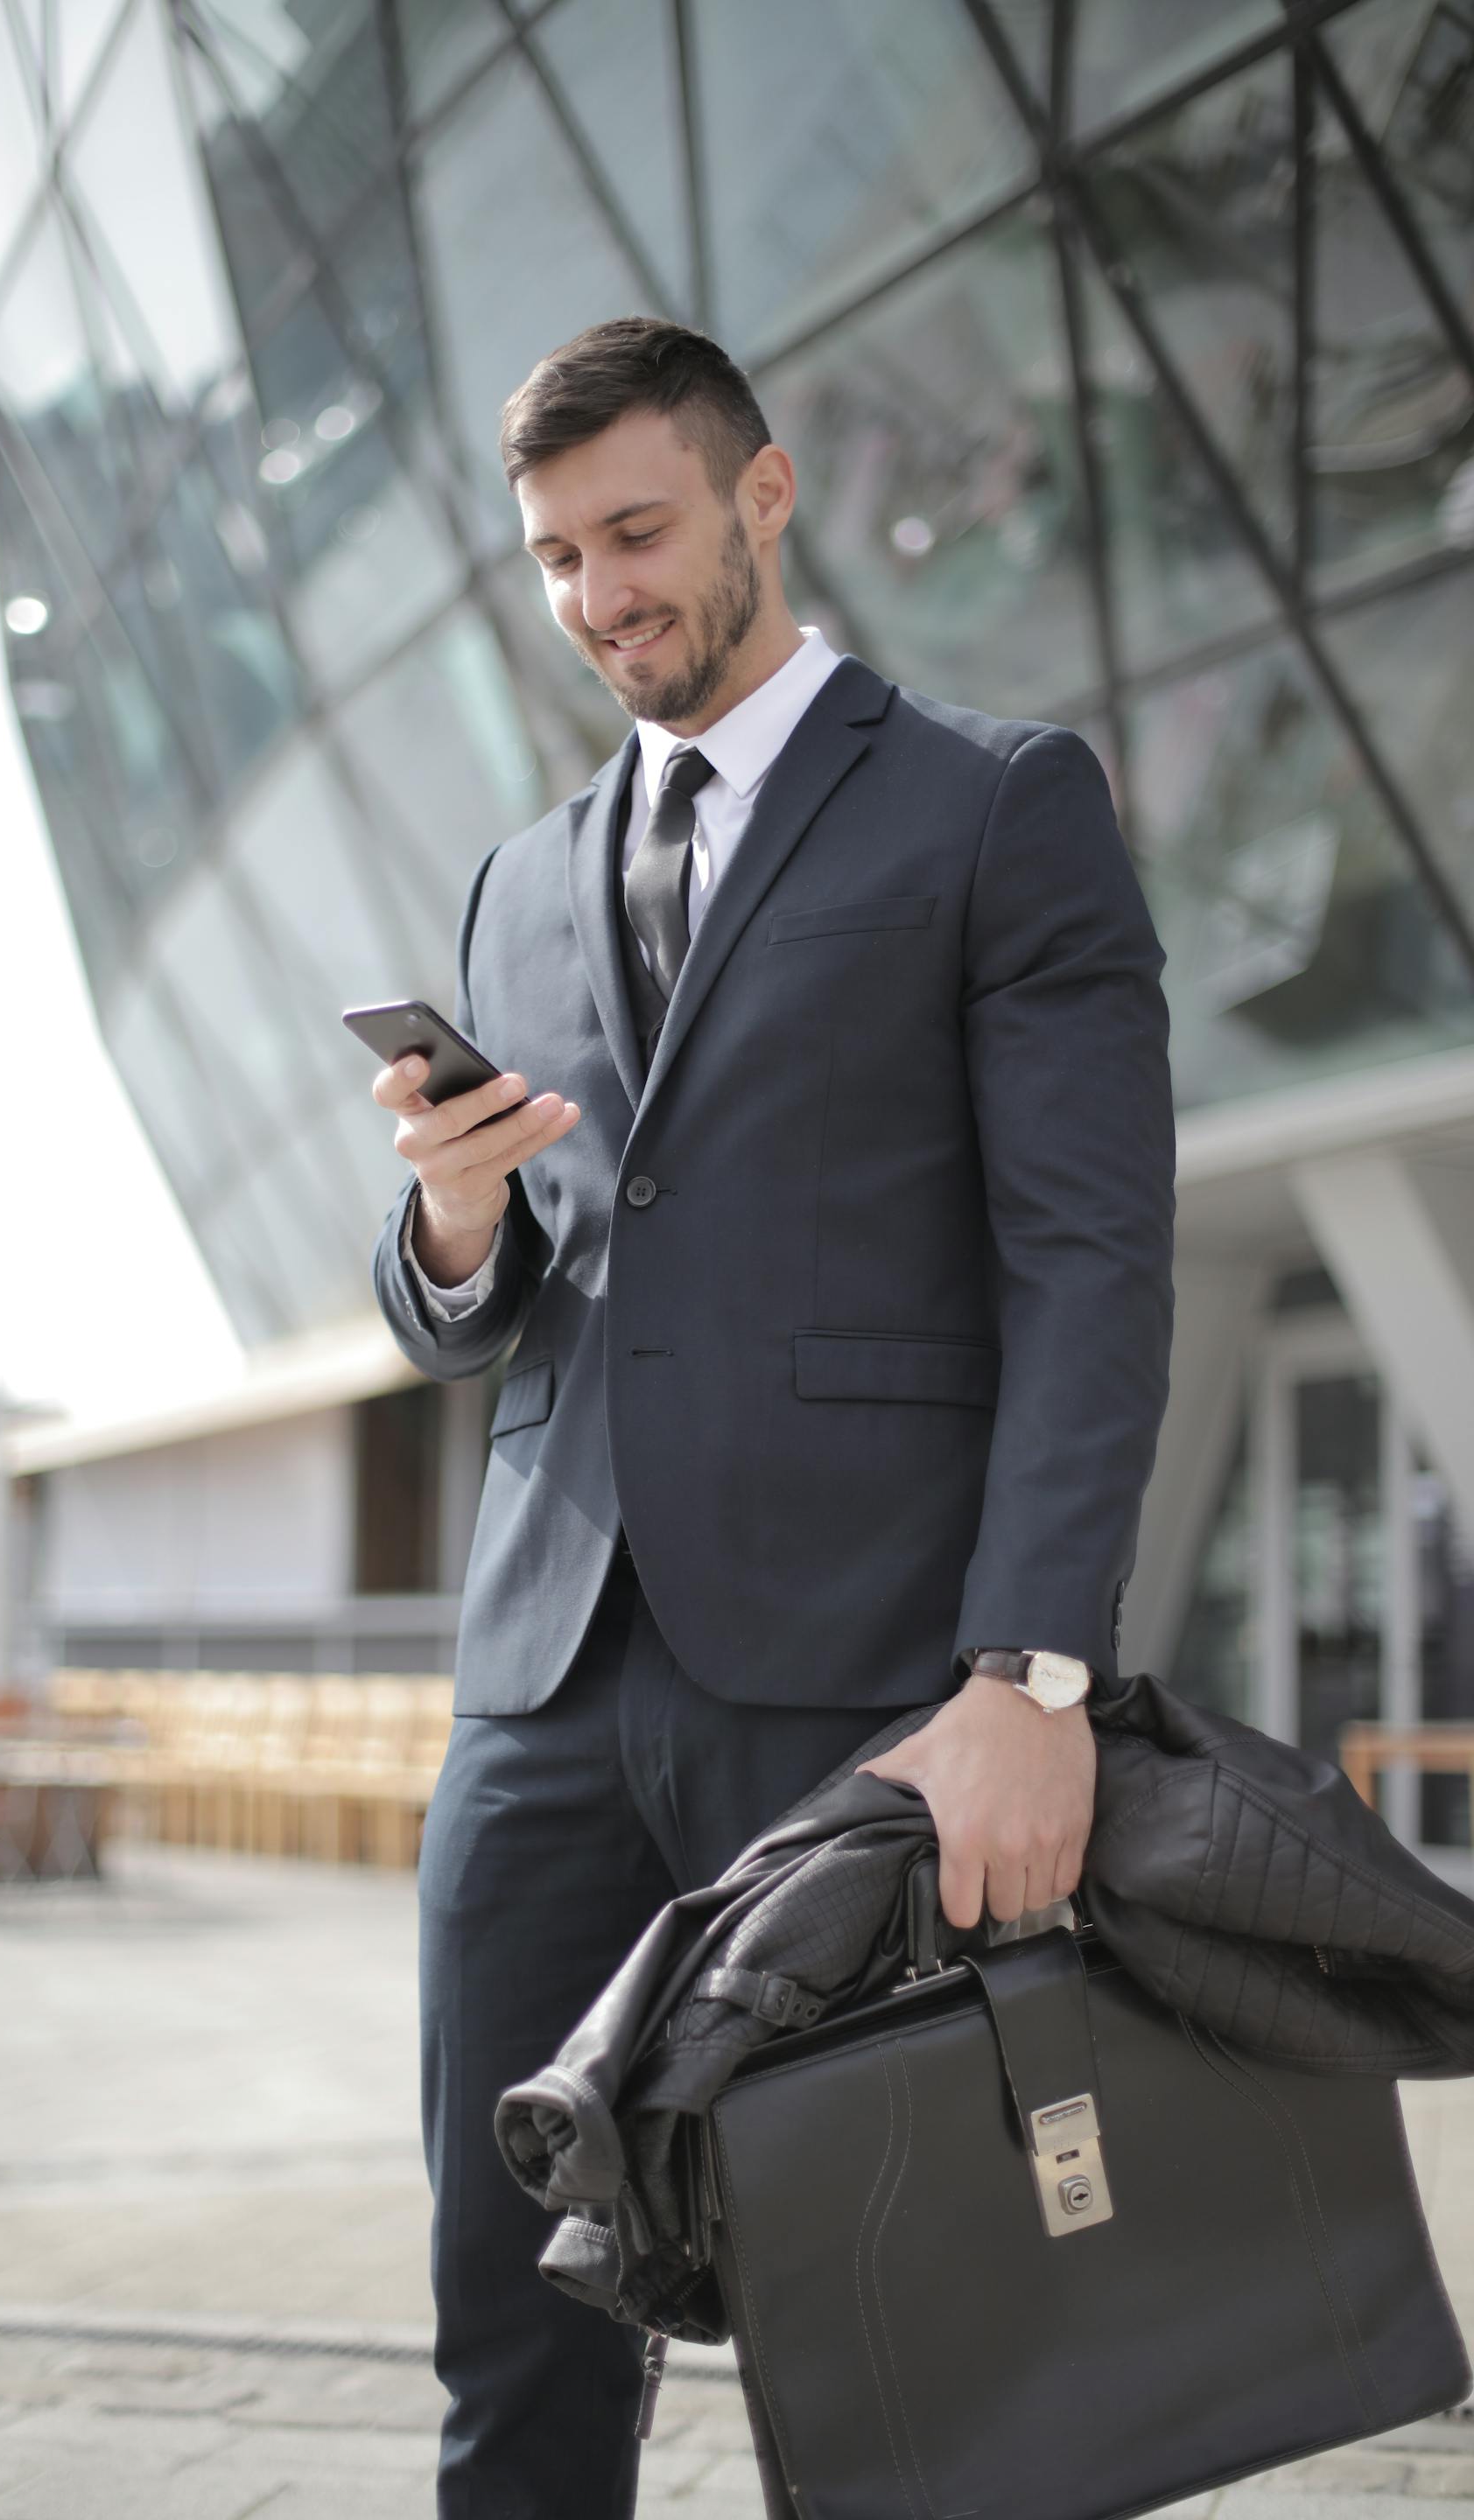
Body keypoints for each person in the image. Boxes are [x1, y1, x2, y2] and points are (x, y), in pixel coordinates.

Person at [368, 316, 1176, 2516]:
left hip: (856, 1697)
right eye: (551, 558)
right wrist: (449, 1228)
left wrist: (1034, 1670)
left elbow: (1089, 1266)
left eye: (634, 531)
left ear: (763, 491)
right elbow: (498, 1310)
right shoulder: (517, 882)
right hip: (540, 1691)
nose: (598, 596)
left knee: (898, 2348)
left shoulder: (998, 804)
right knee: (506, 2334)